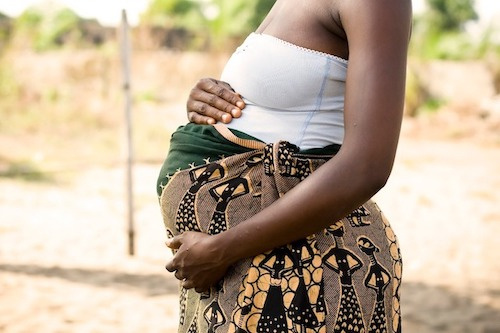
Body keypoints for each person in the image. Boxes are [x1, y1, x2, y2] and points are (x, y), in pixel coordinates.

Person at [158, 0, 411, 332]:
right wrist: (207, 102)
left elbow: (368, 165)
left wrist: (222, 249)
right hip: (244, 262)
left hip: (301, 265)